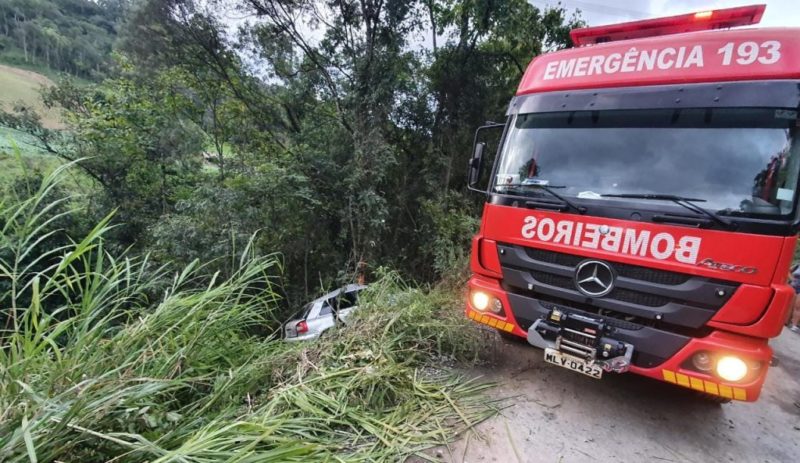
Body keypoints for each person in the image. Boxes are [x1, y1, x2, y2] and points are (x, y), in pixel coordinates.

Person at [789, 266, 800, 332]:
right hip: (793, 286)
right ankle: (784, 321)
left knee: (798, 306)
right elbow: (788, 270)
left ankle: (794, 325)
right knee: (788, 304)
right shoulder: (798, 265)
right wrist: (792, 279)